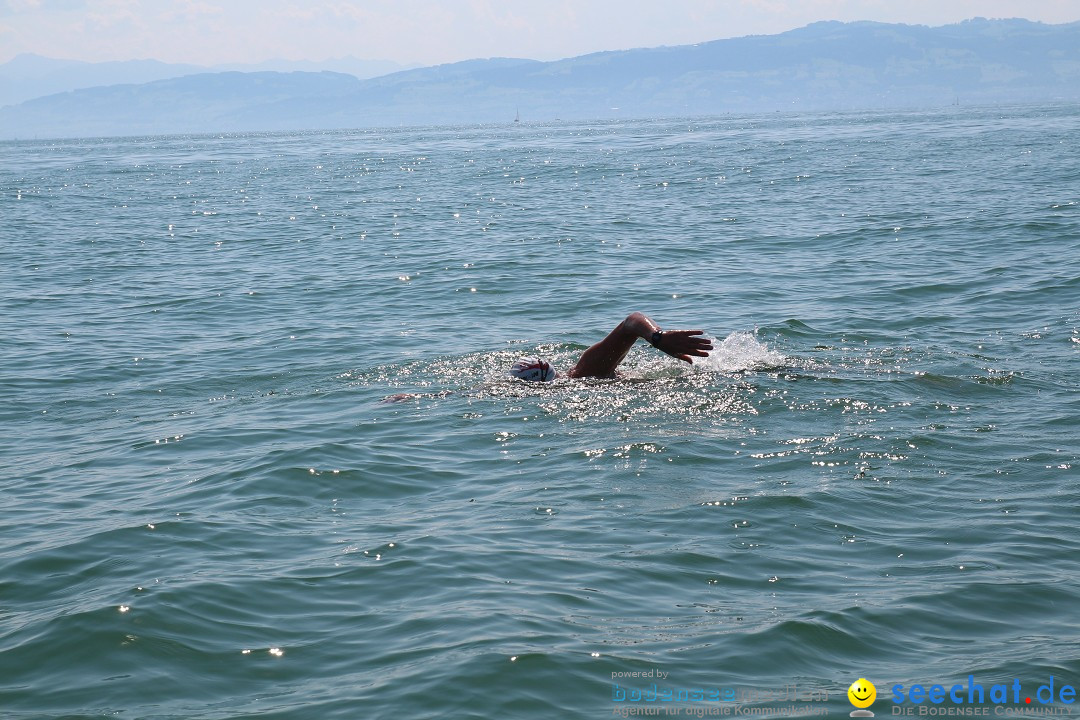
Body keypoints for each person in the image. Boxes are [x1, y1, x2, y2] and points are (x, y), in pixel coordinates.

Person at [510, 311, 713, 382]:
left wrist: (657, 337)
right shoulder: (580, 379)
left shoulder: (587, 371)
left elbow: (632, 321)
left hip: (698, 379)